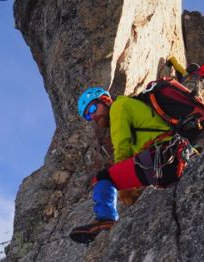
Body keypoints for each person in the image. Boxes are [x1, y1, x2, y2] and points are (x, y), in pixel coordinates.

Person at [69, 86, 177, 243]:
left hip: (163, 155)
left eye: (92, 108)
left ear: (105, 100)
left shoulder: (118, 107)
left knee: (103, 177)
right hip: (167, 157)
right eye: (88, 116)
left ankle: (105, 219)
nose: (93, 116)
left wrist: (123, 185)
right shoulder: (129, 106)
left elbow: (122, 147)